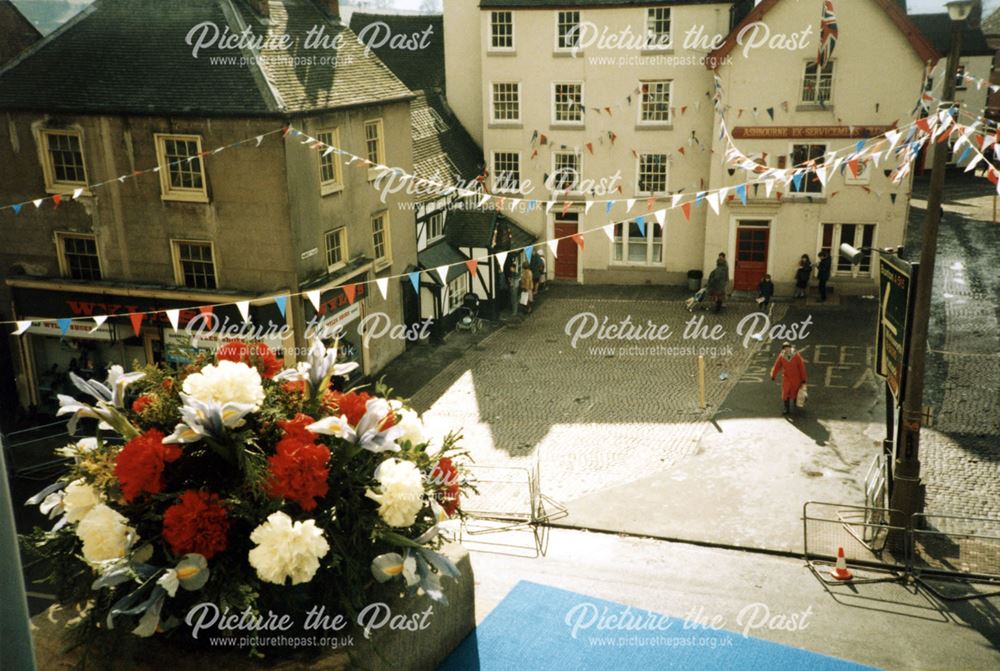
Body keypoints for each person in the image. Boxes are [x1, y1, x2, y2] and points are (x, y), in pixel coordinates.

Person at [771, 341, 807, 415]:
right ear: (783, 349)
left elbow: (801, 367)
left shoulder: (796, 355)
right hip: (787, 378)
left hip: (796, 378)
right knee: (785, 393)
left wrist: (803, 379)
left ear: (790, 348)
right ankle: (786, 409)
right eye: (785, 348)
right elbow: (777, 366)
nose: (787, 350)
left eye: (788, 348)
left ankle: (795, 405)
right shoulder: (781, 356)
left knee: (795, 393)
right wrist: (773, 375)